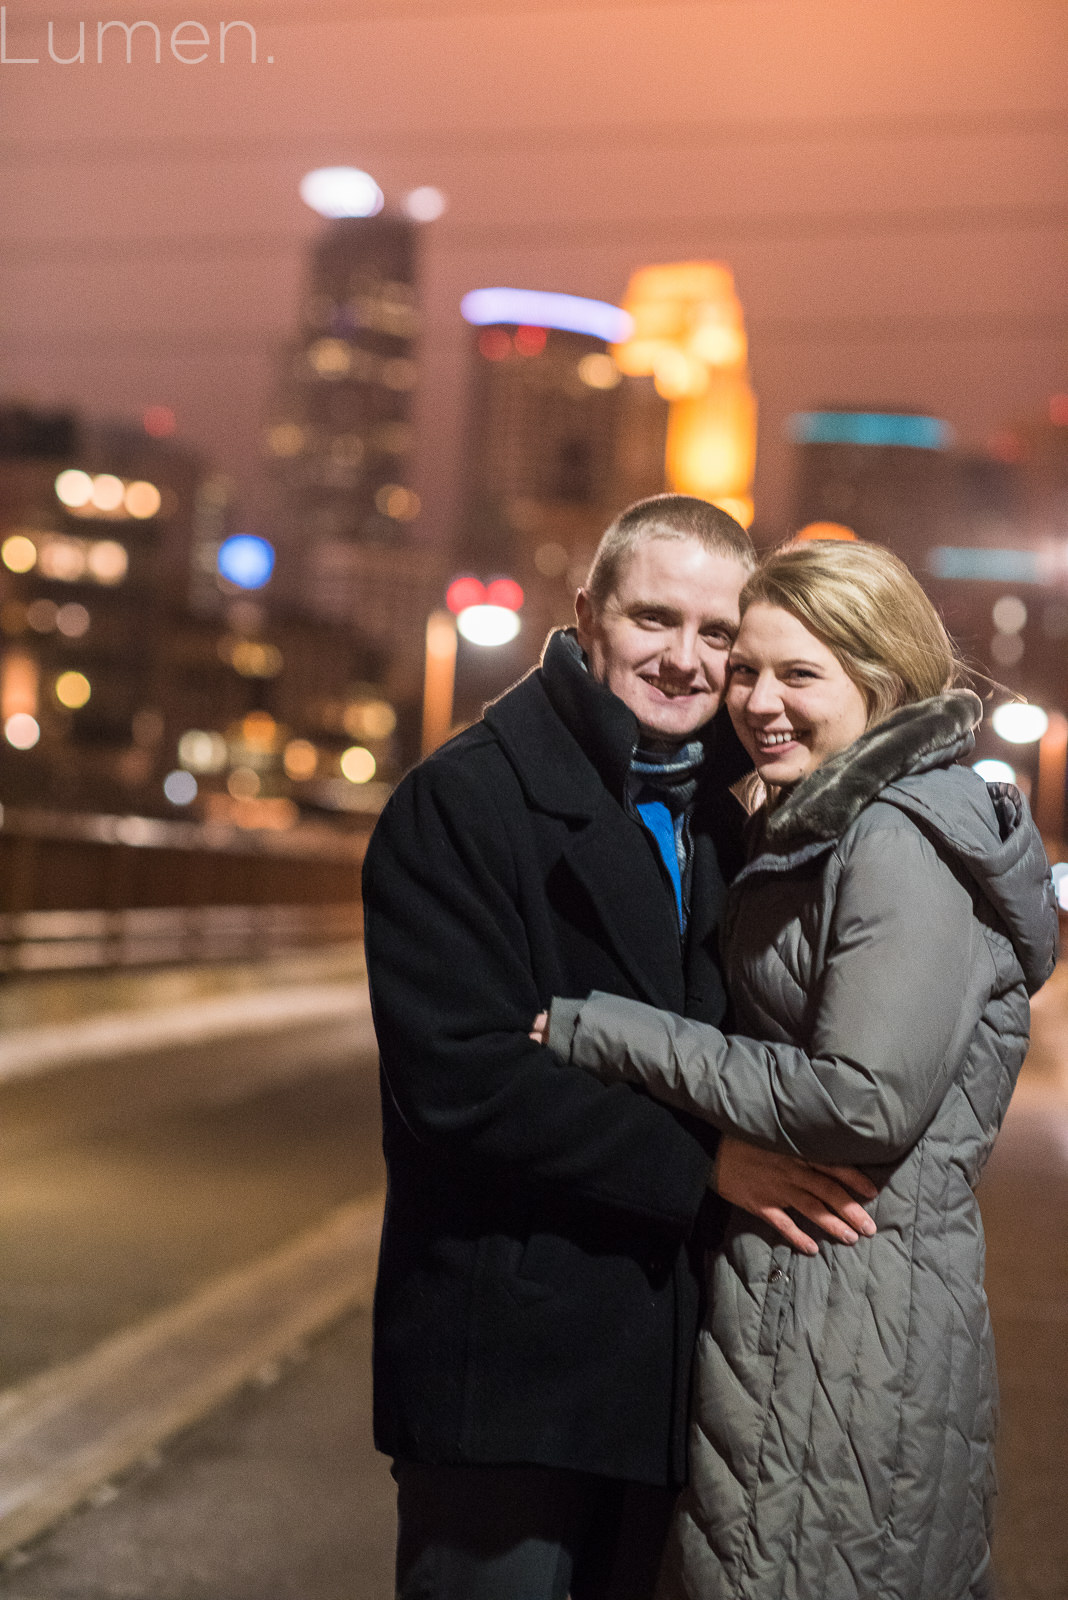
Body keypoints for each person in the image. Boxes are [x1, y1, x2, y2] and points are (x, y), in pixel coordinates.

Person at [362, 497, 878, 1600]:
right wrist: (705, 1164)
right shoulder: (463, 801)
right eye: (656, 619)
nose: (687, 660)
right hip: (508, 1374)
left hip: (666, 1381)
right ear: (587, 616)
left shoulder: (724, 820)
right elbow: (462, 1077)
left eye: (719, 634)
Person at [544, 539, 1059, 1600]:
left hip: (851, 1312)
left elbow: (861, 1099)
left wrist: (612, 1031)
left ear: (879, 680)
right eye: (749, 669)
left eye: (799, 674)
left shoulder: (896, 840)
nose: (758, 701)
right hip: (814, 1296)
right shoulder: (819, 821)